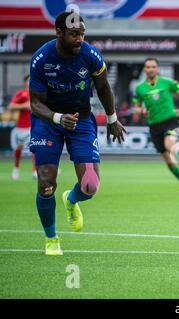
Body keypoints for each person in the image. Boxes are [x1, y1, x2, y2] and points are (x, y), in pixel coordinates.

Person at [29, 11, 126, 256]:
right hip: (47, 122)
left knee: (90, 186)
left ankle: (71, 200)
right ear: (58, 32)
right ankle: (51, 239)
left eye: (82, 34)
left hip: (81, 120)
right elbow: (36, 103)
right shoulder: (41, 58)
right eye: (74, 34)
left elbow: (103, 86)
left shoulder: (90, 55)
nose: (80, 39)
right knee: (46, 183)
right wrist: (57, 117)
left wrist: (112, 118)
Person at [133, 58, 179, 194]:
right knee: (168, 161)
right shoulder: (140, 88)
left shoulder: (167, 82)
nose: (151, 69)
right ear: (145, 69)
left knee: (170, 145)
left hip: (170, 120)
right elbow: (136, 107)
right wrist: (142, 111)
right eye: (148, 67)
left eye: (153, 66)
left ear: (157, 69)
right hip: (154, 125)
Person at [7, 74, 37, 180]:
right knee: (19, 148)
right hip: (22, 127)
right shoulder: (21, 94)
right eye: (28, 81)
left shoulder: (36, 93)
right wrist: (24, 105)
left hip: (34, 126)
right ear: (25, 82)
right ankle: (16, 168)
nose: (30, 83)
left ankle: (35, 171)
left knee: (35, 148)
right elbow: (11, 106)